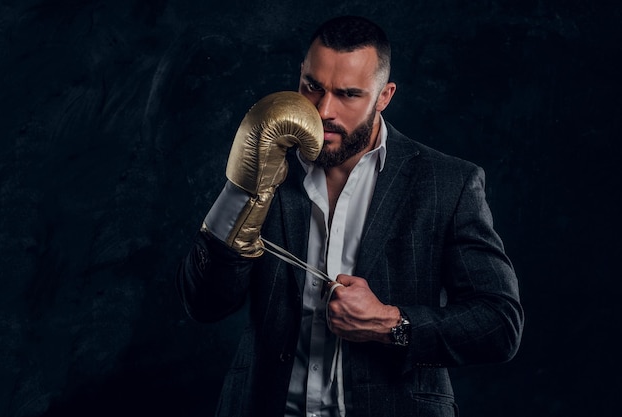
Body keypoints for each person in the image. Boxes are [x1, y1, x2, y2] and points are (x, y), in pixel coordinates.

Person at [176, 15, 524, 417]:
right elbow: (203, 304)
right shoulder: (266, 165)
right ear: (300, 75)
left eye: (348, 94)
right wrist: (241, 190)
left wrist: (389, 324)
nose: (324, 110)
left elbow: (499, 325)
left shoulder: (447, 183)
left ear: (384, 96)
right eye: (313, 87)